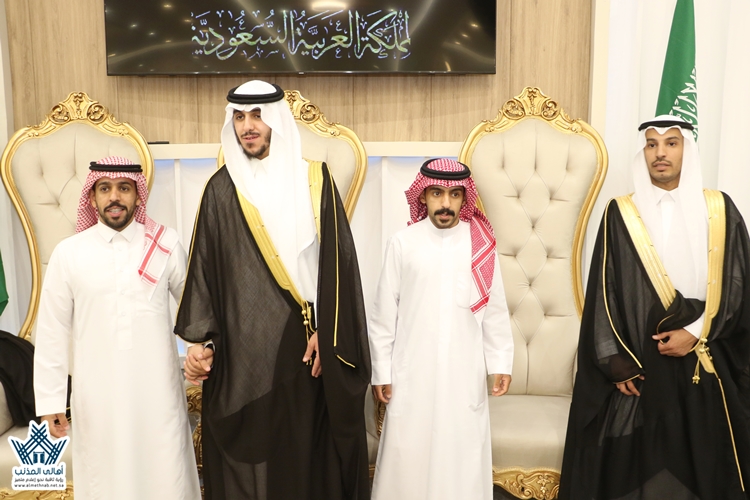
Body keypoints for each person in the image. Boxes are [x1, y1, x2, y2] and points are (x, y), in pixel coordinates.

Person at [175, 80, 371, 500]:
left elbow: (340, 269)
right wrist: (202, 345)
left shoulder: (314, 179)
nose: (248, 126)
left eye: (258, 115)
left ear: (277, 120)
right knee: (249, 464)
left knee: (304, 461)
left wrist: (329, 334)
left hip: (305, 349)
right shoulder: (221, 190)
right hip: (241, 356)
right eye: (239, 117)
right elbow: (207, 276)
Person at [559, 116, 750, 499]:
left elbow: (737, 285)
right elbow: (605, 292)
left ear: (687, 149)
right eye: (651, 144)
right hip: (641, 365)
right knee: (630, 467)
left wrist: (694, 333)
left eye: (671, 143)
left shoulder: (719, 208)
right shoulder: (621, 212)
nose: (660, 153)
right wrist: (617, 364)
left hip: (704, 358)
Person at [33, 156, 200, 499]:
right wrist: (50, 401)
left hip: (158, 394)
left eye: (124, 188)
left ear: (138, 196)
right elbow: (52, 330)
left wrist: (201, 348)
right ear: (92, 197)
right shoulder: (69, 253)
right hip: (98, 398)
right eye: (105, 188)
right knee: (105, 481)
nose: (114, 197)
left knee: (166, 476)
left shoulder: (164, 244)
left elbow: (195, 308)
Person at [368, 158, 514, 500]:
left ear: (465, 198)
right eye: (436, 193)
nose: (445, 203)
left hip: (463, 373)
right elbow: (383, 315)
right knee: (408, 451)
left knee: (461, 451)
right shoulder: (402, 243)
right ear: (423, 196)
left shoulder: (481, 247)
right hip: (411, 372)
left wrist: (500, 363)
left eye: (454, 194)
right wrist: (381, 371)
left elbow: (494, 310)